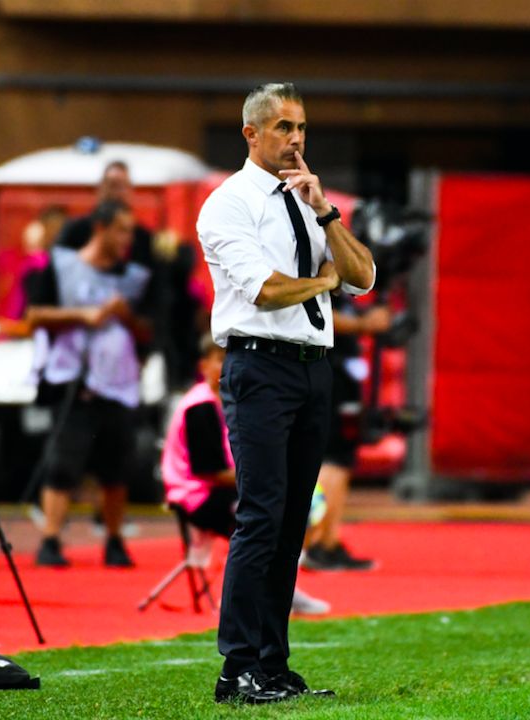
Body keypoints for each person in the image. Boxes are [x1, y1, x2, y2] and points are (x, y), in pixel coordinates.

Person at [197, 82, 375, 705]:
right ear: (251, 133)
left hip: (311, 368)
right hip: (259, 367)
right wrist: (322, 282)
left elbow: (363, 277)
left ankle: (272, 664)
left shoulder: (306, 201)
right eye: (283, 127)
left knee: (293, 520)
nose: (296, 139)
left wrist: (326, 211)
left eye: (300, 127)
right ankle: (237, 668)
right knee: (262, 515)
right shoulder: (229, 203)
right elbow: (266, 291)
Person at [160, 336, 329, 615]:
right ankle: (252, 597)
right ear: (204, 365)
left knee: (296, 506)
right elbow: (210, 471)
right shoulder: (199, 407)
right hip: (198, 496)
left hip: (224, 487)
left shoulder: (228, 399)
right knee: (265, 515)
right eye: (219, 359)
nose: (226, 364)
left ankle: (278, 588)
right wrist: (269, 475)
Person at [26, 198, 152, 568]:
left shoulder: (136, 278)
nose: (127, 239)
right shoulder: (62, 267)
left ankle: (114, 539)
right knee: (63, 463)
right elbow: (35, 315)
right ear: (100, 228)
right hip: (73, 380)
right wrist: (83, 315)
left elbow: (150, 331)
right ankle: (51, 538)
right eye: (121, 230)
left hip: (118, 383)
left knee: (117, 467)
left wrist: (126, 316)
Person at [302, 299, 391, 571]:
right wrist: (363, 324)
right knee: (332, 458)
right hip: (326, 371)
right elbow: (314, 310)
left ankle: (328, 541)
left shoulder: (341, 289)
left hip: (339, 373)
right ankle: (314, 542)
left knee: (341, 458)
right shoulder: (318, 278)